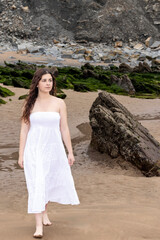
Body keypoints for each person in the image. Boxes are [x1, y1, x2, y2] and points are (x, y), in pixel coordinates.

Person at [18, 68, 80, 238]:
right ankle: (39, 226)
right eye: (44, 80)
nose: (48, 83)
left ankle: (44, 212)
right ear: (37, 82)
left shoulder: (59, 103)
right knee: (37, 183)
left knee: (48, 181)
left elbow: (64, 128)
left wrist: (70, 152)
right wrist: (21, 154)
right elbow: (24, 130)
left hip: (54, 150)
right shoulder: (29, 104)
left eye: (50, 81)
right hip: (34, 149)